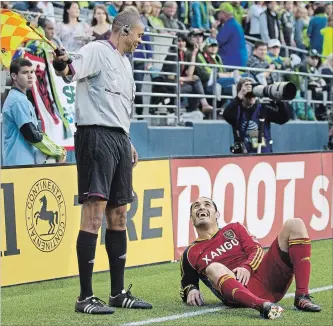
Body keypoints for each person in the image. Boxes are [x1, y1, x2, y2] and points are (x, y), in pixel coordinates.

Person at [52, 10, 152, 314]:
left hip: (119, 139)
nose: (139, 41)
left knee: (119, 214)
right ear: (123, 30)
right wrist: (61, 62)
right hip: (95, 136)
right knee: (94, 214)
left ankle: (118, 292)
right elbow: (68, 71)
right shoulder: (96, 50)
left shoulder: (126, 63)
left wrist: (128, 140)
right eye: (138, 35)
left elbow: (119, 108)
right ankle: (84, 297)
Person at [180, 197, 322, 319]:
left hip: (266, 279)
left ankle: (302, 296)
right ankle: (263, 306)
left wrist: (246, 267)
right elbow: (186, 284)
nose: (201, 207)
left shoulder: (234, 228)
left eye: (207, 204)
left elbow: (256, 249)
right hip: (238, 293)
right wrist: (191, 289)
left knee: (295, 224)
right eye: (196, 206)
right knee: (213, 267)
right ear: (191, 218)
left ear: (217, 214)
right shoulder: (190, 253)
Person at [2, 58, 66, 166]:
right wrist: (57, 152)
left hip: (24, 163)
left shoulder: (21, 98)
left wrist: (56, 149)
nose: (30, 76)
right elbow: (31, 134)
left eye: (32, 72)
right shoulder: (18, 100)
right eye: (25, 72)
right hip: (19, 164)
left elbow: (37, 132)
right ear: (14, 76)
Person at [223, 78, 291, 153]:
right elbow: (227, 115)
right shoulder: (236, 110)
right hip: (243, 158)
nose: (251, 95)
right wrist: (239, 97)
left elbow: (283, 118)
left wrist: (280, 102)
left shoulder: (263, 108)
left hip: (264, 156)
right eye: (248, 92)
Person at [215, 2, 248, 67]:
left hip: (231, 62)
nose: (218, 15)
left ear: (223, 14)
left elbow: (217, 42)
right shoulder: (235, 24)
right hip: (239, 61)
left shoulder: (229, 26)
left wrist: (213, 30)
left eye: (219, 13)